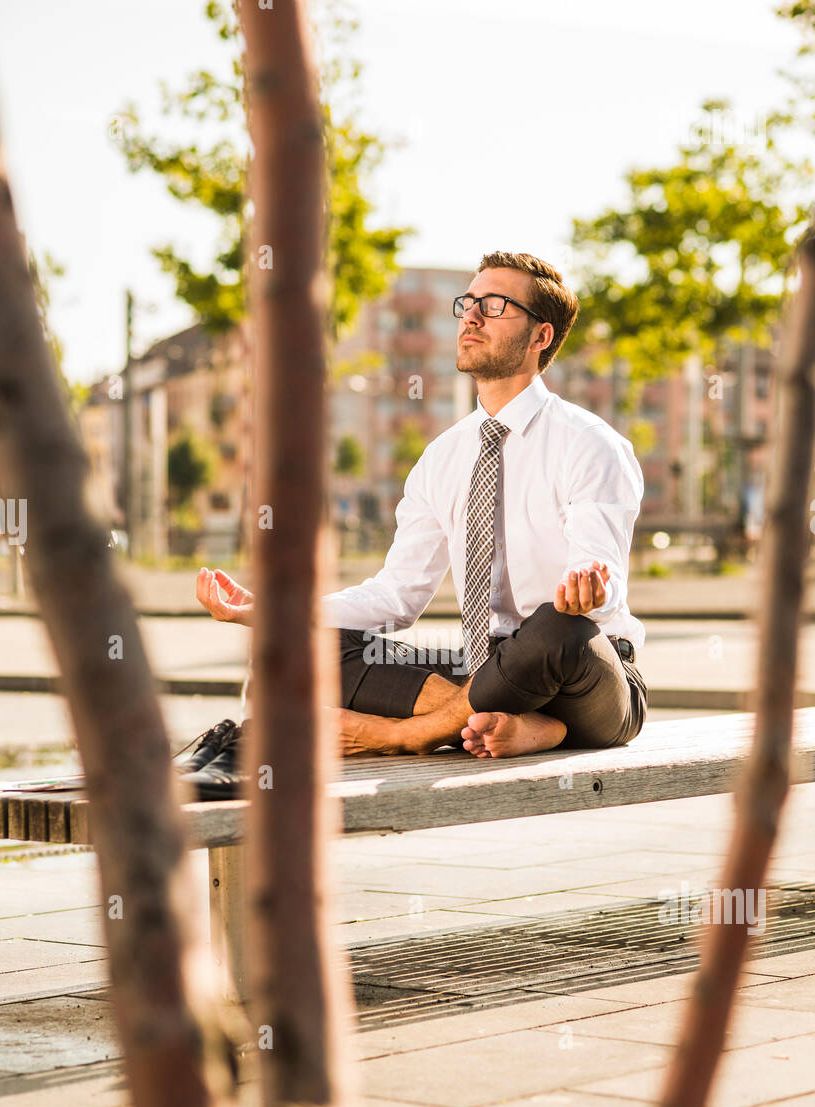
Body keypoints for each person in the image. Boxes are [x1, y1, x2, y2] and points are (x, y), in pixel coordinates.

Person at [196, 250, 647, 762]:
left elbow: (600, 590)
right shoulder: (442, 457)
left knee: (558, 625)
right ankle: (515, 724)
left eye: (495, 305)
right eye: (468, 302)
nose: (471, 316)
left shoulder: (588, 442)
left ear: (541, 336)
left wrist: (588, 590)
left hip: (588, 676)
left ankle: (404, 733)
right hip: (486, 672)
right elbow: (396, 596)